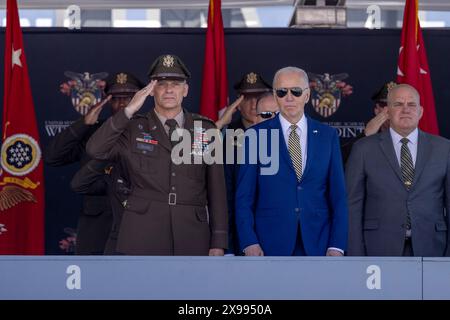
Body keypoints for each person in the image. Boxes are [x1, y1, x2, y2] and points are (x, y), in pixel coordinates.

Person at [86, 54, 228, 255]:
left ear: (185, 90)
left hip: (192, 234)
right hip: (142, 232)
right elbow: (95, 149)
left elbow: (217, 190)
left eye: (176, 84)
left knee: (190, 287)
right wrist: (128, 111)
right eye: (161, 84)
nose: (169, 89)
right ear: (151, 91)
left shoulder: (204, 129)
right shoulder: (133, 127)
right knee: (143, 287)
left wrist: (218, 241)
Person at [235, 66, 348, 256]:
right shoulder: (256, 135)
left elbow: (338, 196)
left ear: (307, 95)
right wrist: (249, 241)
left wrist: (336, 245)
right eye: (282, 92)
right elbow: (244, 196)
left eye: (296, 91)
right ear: (274, 95)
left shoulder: (327, 136)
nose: (289, 98)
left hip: (318, 242)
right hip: (268, 244)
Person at [45, 72, 143, 255]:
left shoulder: (149, 133)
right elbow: (52, 157)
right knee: (93, 281)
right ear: (108, 102)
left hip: (136, 221)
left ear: (139, 98)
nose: (122, 104)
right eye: (116, 99)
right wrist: (83, 124)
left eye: (128, 98)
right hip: (97, 227)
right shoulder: (94, 133)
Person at [346, 84, 450, 257]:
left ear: (421, 111)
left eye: (411, 105)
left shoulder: (444, 148)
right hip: (377, 248)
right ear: (387, 111)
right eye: (398, 104)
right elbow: (352, 206)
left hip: (433, 248)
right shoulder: (363, 149)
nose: (405, 109)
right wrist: (356, 255)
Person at [222, 72, 272, 255]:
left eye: (259, 97)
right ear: (238, 103)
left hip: (276, 233)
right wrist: (226, 245)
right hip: (239, 237)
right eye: (247, 98)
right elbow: (224, 196)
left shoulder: (285, 134)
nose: (253, 104)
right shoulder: (227, 137)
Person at [341, 81, 395, 164]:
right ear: (377, 110)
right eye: (385, 105)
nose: (390, 111)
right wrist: (365, 135)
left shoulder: (417, 140)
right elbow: (338, 161)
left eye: (396, 105)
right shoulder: (367, 139)